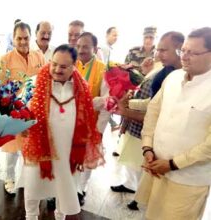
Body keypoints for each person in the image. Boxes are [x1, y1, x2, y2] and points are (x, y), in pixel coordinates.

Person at [136, 27, 211, 220]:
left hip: (187, 179)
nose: (184, 57)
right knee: (151, 215)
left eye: (192, 52)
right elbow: (153, 112)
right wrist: (147, 148)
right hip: (156, 167)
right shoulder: (173, 77)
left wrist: (172, 164)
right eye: (183, 51)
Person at [21, 44, 103, 220]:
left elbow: (89, 109)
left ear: (74, 66)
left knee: (63, 190)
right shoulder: (35, 84)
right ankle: (30, 217)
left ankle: (60, 216)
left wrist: (107, 101)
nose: (57, 70)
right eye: (54, 64)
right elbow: (21, 109)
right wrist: (21, 124)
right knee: (33, 188)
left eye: (64, 66)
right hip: (39, 148)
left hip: (68, 152)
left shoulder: (82, 88)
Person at [114, 31, 185, 211]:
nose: (158, 54)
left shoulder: (182, 77)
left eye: (163, 50)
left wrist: (126, 110)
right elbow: (153, 105)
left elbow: (158, 114)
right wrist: (128, 104)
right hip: (148, 134)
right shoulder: (167, 70)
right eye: (158, 50)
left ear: (179, 50)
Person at [0, 22, 45, 195]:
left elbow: (45, 81)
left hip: (35, 111)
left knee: (30, 147)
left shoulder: (39, 56)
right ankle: (9, 178)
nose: (23, 42)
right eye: (19, 38)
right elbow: (1, 88)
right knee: (12, 148)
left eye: (26, 38)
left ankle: (27, 179)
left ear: (30, 38)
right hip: (14, 110)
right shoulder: (5, 59)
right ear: (13, 38)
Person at [74, 32, 110, 205]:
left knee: (88, 158)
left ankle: (81, 189)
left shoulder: (103, 69)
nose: (81, 50)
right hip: (70, 122)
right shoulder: (71, 64)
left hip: (92, 123)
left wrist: (99, 130)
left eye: (86, 47)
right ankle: (70, 185)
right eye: (79, 46)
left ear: (95, 48)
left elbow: (107, 102)